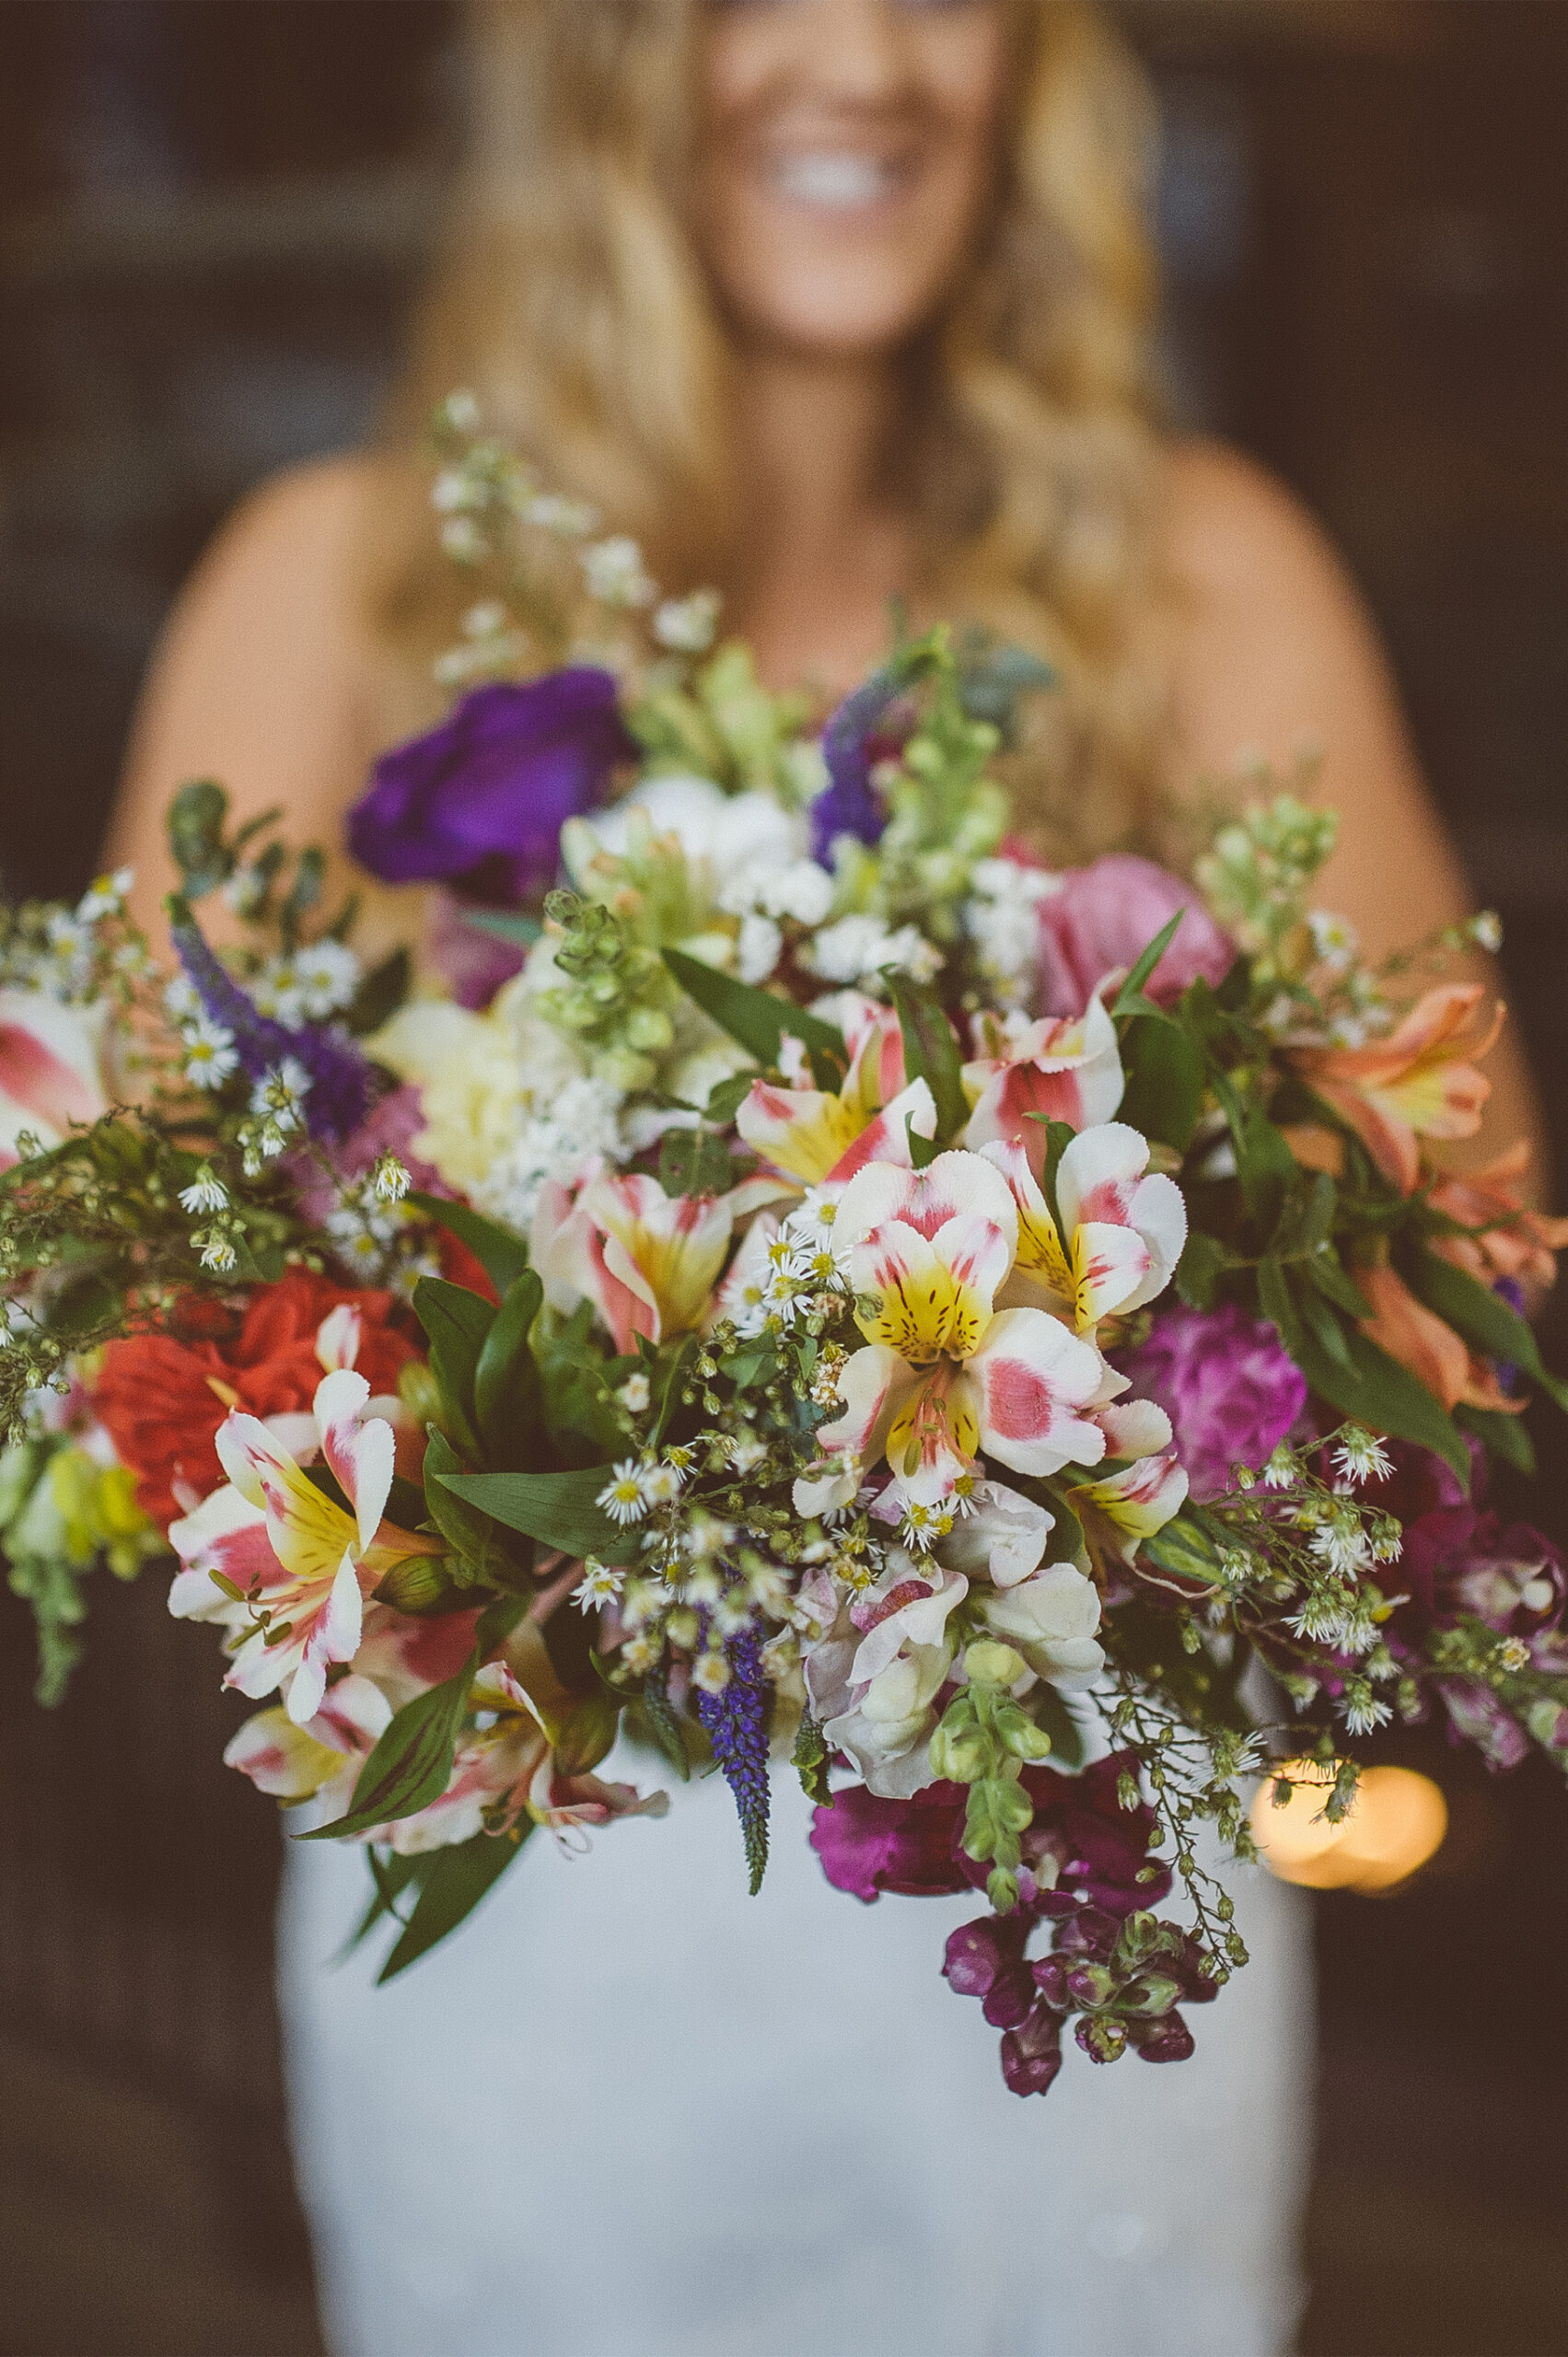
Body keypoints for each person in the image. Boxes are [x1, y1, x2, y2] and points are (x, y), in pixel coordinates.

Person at [105, 6, 1537, 2353]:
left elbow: (1465, 1235)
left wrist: (1052, 1407)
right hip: (541, 1944)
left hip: (1057, 1907)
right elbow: (132, 1298)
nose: (859, 56)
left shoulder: (1209, 575)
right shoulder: (329, 587)